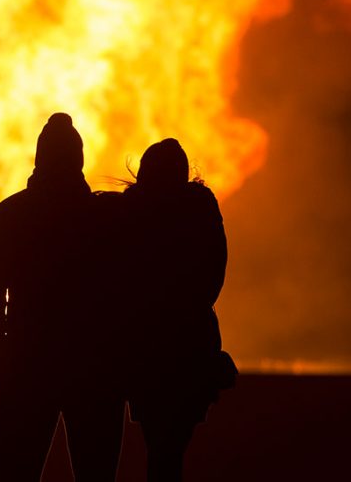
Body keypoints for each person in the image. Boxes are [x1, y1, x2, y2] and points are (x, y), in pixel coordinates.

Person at [0, 113, 124, 482]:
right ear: (79, 159)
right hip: (92, 370)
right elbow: (130, 292)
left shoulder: (9, 216)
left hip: (27, 368)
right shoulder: (108, 218)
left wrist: (0, 363)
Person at [108, 138, 235, 482]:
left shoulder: (128, 210)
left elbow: (115, 277)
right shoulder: (201, 208)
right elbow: (214, 272)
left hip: (143, 348)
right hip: (191, 347)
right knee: (171, 448)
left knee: (159, 445)